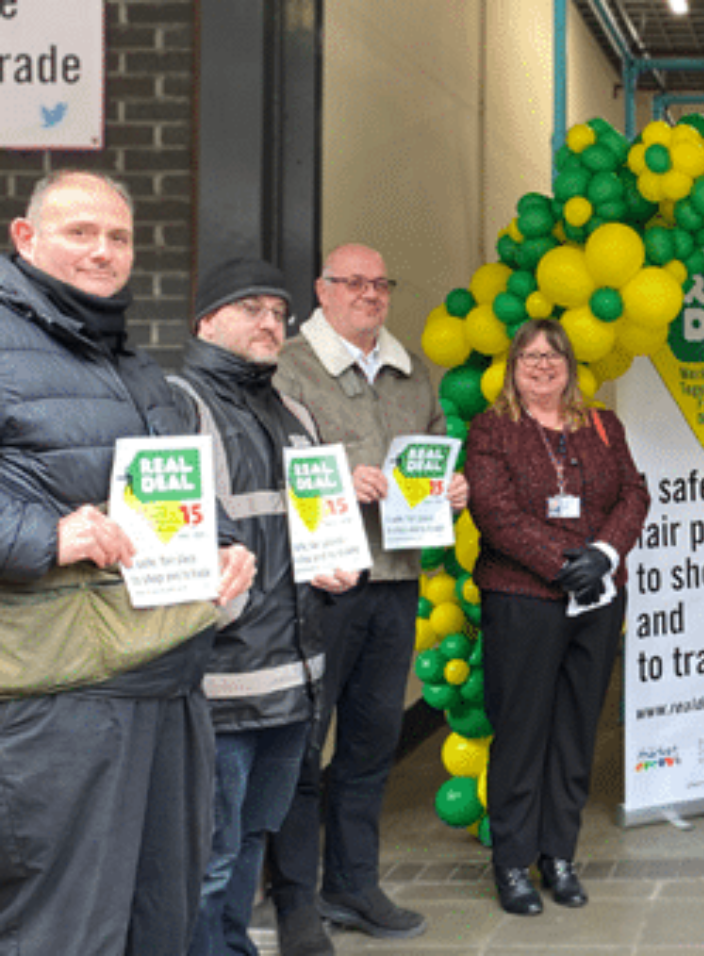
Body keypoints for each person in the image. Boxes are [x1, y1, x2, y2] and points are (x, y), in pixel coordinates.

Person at [0, 170, 256, 954]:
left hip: (166, 683)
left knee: (159, 923)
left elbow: (166, 500)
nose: (103, 252)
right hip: (64, 697)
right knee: (66, 932)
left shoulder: (135, 365)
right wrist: (46, 536)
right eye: (81, 232)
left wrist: (220, 552)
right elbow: (49, 521)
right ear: (25, 238)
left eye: (118, 237)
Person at [269, 243, 468, 954]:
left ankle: (353, 884)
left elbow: (438, 447)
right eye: (353, 282)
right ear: (322, 290)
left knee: (369, 746)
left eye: (380, 283)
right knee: (298, 750)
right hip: (320, 586)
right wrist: (332, 481)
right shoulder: (287, 368)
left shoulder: (414, 374)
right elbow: (267, 464)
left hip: (395, 584)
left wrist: (453, 486)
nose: (369, 294)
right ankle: (294, 901)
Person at [180, 258, 363, 956]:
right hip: (219, 685)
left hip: (294, 678)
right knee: (210, 856)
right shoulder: (176, 404)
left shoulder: (294, 413)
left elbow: (312, 528)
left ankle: (235, 946)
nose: (269, 323)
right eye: (251, 308)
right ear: (206, 320)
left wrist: (333, 566)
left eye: (278, 314)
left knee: (251, 839)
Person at [464, 319, 650, 915]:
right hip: (522, 600)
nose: (543, 365)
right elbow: (493, 510)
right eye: (530, 356)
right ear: (513, 367)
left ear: (570, 365)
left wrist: (602, 555)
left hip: (596, 601)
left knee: (574, 733)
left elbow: (634, 493)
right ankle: (513, 864)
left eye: (553, 355)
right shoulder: (493, 429)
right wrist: (557, 562)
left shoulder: (601, 424)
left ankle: (559, 856)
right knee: (521, 733)